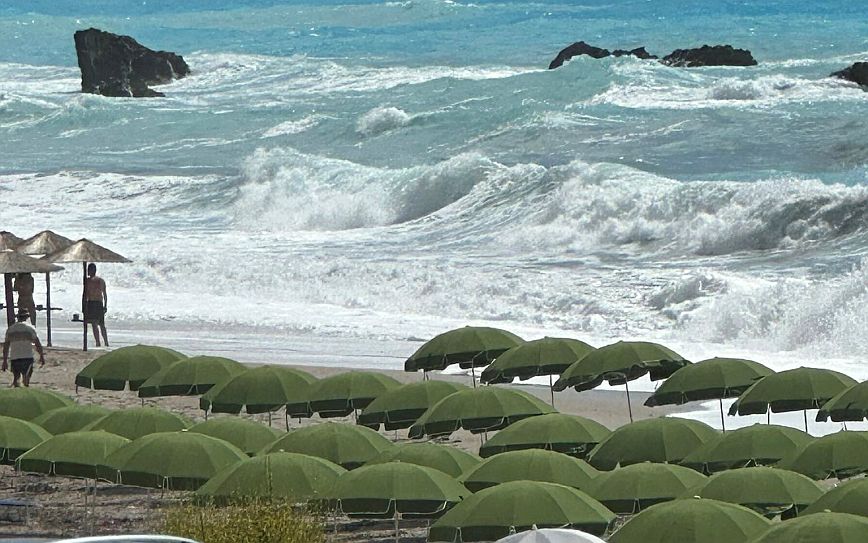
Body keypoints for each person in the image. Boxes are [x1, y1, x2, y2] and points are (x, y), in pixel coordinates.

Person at [2, 310, 45, 387]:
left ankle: (17, 393)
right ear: (27, 318)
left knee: (16, 379)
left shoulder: (11, 329)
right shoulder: (30, 328)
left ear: (18, 317)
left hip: (14, 357)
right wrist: (41, 356)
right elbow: (37, 343)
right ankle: (25, 391)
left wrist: (5, 361)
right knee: (26, 379)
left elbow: (6, 346)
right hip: (27, 357)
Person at [83, 263, 109, 347]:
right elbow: (85, 295)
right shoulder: (87, 281)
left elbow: (104, 294)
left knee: (100, 324)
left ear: (93, 270)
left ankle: (105, 342)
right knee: (95, 324)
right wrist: (84, 305)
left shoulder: (99, 281)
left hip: (97, 303)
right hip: (91, 302)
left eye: (89, 270)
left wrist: (105, 305)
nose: (88, 272)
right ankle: (98, 342)